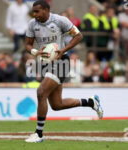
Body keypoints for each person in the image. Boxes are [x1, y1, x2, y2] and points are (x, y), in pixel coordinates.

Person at [25, 0, 103, 143]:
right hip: (45, 64)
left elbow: (78, 36)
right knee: (57, 105)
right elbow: (28, 45)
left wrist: (63, 50)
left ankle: (39, 134)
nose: (34, 14)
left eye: (37, 11)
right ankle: (91, 102)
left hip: (61, 61)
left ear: (45, 10)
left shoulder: (60, 21)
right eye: (33, 12)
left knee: (41, 92)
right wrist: (36, 52)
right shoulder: (32, 24)